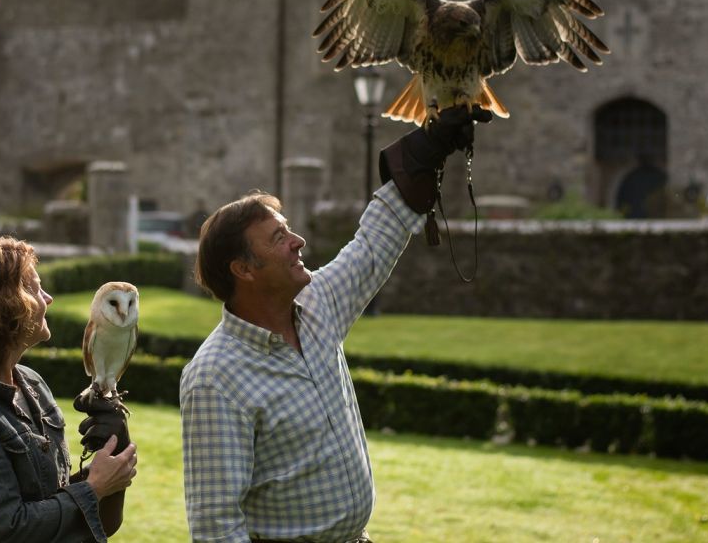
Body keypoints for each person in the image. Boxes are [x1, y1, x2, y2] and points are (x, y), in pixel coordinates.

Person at [180, 106, 493, 542]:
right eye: (278, 238)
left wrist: (429, 148)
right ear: (243, 270)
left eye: (288, 229)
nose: (298, 242)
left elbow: (372, 245)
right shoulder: (214, 376)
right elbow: (215, 526)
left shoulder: (317, 306)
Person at [0, 237, 138, 542]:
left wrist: (112, 456)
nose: (48, 298)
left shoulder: (31, 384)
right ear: (0, 303)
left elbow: (84, 521)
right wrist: (94, 488)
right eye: (34, 288)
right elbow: (10, 530)